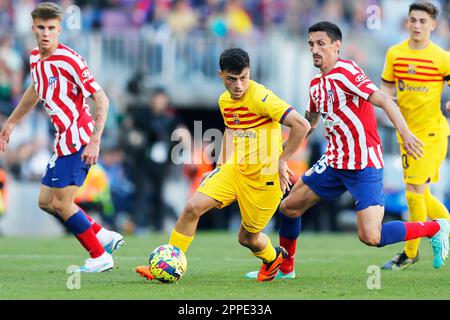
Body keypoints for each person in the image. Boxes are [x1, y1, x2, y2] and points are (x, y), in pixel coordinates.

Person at [245, 21, 449, 280]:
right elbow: (310, 121)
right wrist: (283, 150)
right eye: (311, 44)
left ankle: (433, 228)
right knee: (289, 208)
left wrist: (405, 133)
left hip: (363, 163)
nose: (314, 49)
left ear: (336, 46)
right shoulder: (316, 85)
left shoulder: (347, 72)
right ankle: (286, 269)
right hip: (334, 162)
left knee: (371, 236)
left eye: (321, 43)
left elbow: (384, 100)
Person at [136, 47, 311, 282]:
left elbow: (301, 125)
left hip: (265, 179)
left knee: (247, 238)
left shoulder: (261, 97)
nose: (238, 85)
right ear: (221, 75)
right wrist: (219, 166)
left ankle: (272, 259)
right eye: (232, 79)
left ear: (249, 73)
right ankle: (168, 263)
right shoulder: (224, 101)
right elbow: (231, 130)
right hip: (235, 170)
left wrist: (282, 160)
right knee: (192, 208)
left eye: (243, 78)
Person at [0, 2, 124, 272]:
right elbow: (36, 88)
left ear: (59, 30)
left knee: (62, 203)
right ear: (33, 28)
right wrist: (11, 122)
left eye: (52, 28)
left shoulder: (70, 60)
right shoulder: (35, 58)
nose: (46, 33)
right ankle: (102, 236)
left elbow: (101, 99)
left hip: (79, 139)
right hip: (61, 141)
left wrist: (95, 140)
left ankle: (100, 255)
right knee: (46, 202)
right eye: (41, 28)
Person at [380, 2, 450, 271]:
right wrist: (387, 103)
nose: (417, 25)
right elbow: (385, 90)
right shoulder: (395, 54)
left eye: (422, 21)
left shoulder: (441, 57)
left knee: (414, 193)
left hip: (432, 133)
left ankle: (410, 253)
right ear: (407, 23)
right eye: (413, 20)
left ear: (433, 24)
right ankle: (442, 231)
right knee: (423, 194)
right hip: (405, 133)